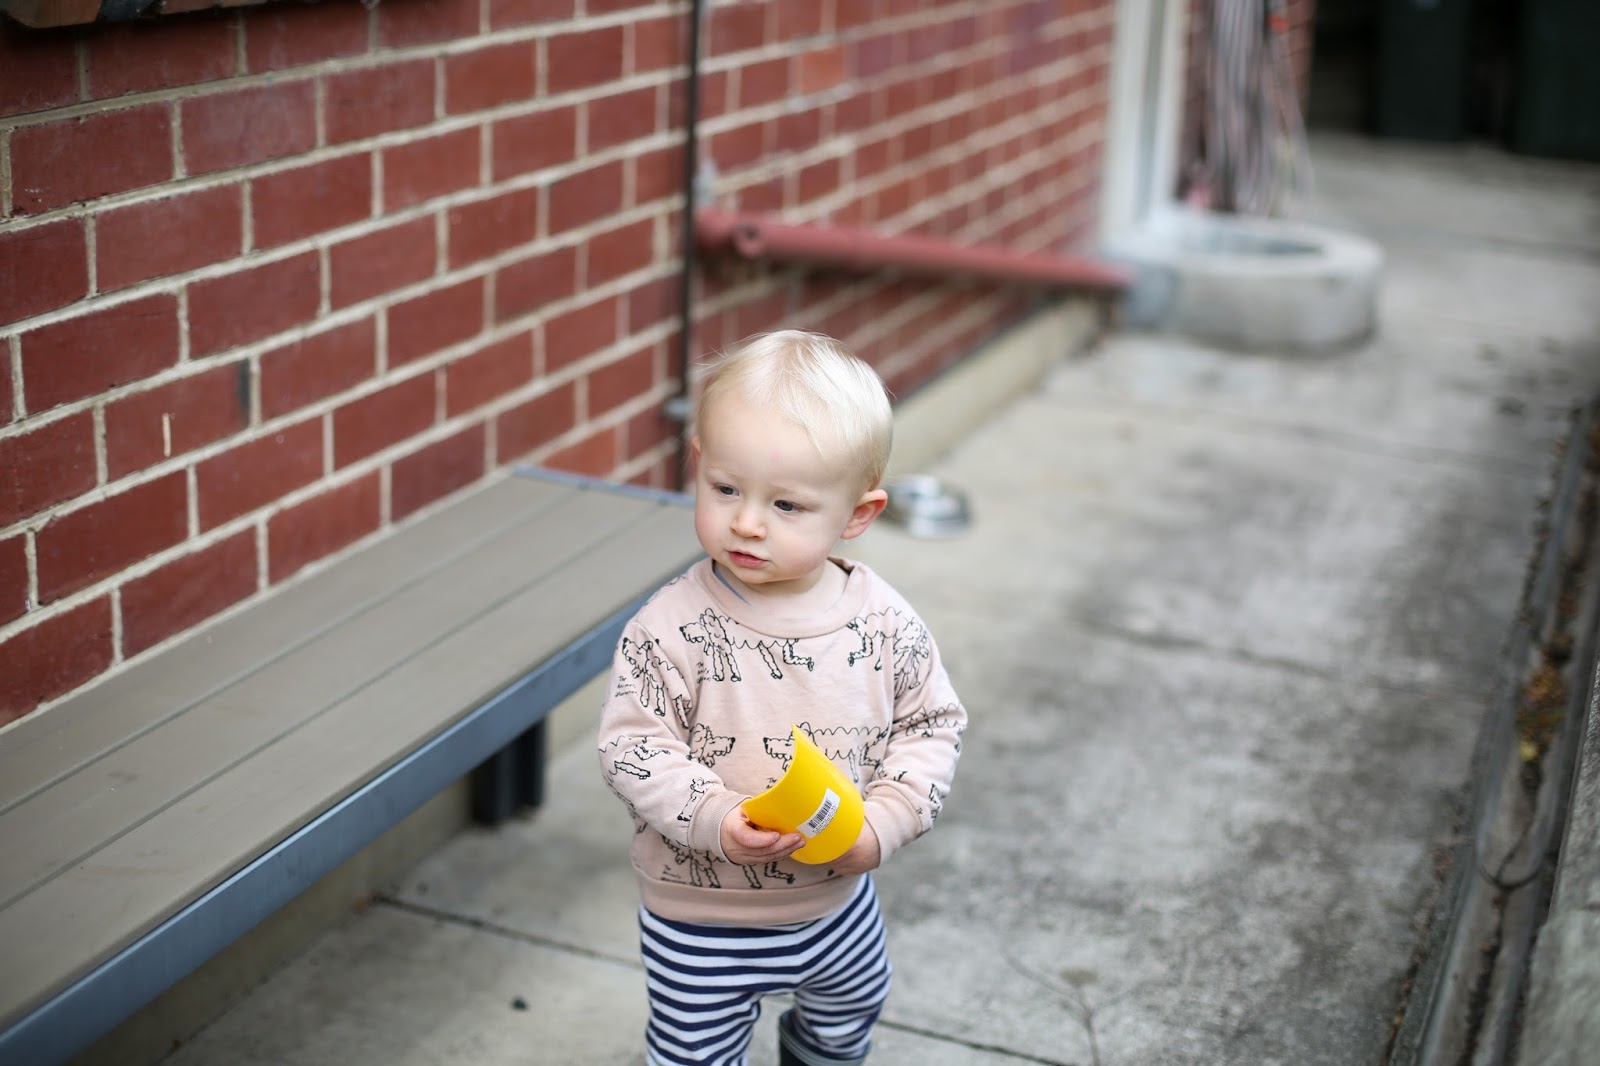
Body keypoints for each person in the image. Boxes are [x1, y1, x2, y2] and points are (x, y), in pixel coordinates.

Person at [597, 330, 967, 1066]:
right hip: (701, 916)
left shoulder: (883, 622)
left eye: (787, 504)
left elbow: (931, 725)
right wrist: (715, 817)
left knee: (849, 1016)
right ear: (698, 464)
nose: (747, 522)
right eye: (726, 489)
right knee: (694, 1052)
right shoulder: (669, 628)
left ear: (857, 515)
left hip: (836, 904)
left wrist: (886, 821)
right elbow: (632, 746)